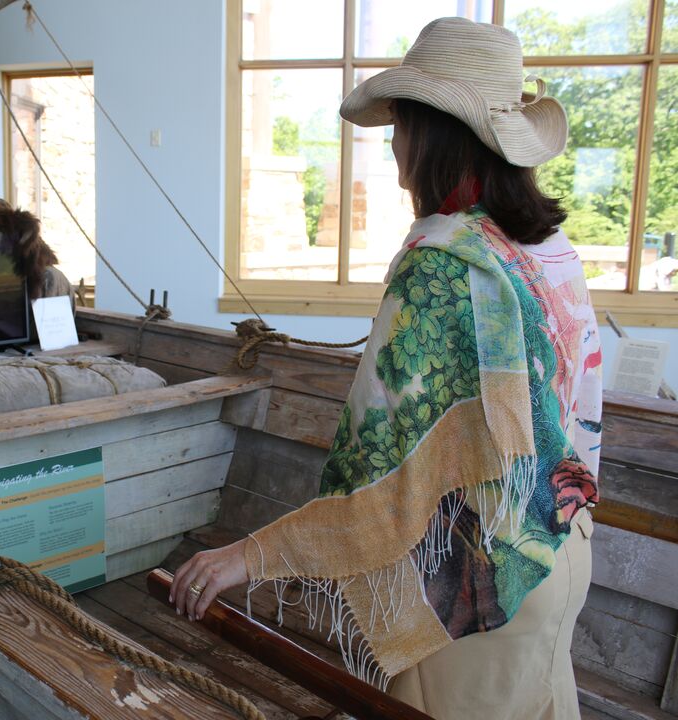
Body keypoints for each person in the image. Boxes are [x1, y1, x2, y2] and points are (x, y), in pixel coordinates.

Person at [171, 17, 602, 720]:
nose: (392, 147)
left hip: (479, 584)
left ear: (432, 134)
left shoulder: (440, 266)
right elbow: (578, 413)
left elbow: (386, 480)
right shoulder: (546, 249)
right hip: (559, 544)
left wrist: (255, 552)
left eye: (399, 125)